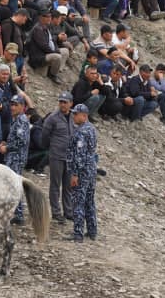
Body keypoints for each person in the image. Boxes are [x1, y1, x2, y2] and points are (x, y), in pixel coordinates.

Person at [65, 103, 99, 242]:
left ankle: (78, 233)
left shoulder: (81, 132)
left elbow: (79, 155)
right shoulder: (91, 129)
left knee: (78, 201)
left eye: (76, 114)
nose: (73, 116)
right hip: (91, 169)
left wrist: (75, 174)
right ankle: (92, 231)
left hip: (82, 171)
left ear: (84, 116)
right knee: (89, 201)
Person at [43, 92, 75, 223]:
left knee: (68, 185)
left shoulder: (74, 116)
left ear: (71, 103)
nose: (62, 104)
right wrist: (51, 148)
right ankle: (56, 212)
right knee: (55, 184)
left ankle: (68, 211)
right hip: (56, 156)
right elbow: (45, 135)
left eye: (65, 102)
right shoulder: (52, 117)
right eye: (60, 102)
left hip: (70, 157)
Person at [1, 94, 31, 225]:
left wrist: (7, 148)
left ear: (22, 107)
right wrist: (5, 143)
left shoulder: (21, 120)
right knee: (13, 184)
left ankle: (17, 214)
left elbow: (21, 141)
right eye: (11, 105)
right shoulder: (16, 119)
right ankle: (17, 213)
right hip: (13, 156)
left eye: (16, 105)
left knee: (14, 185)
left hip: (16, 158)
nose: (12, 107)